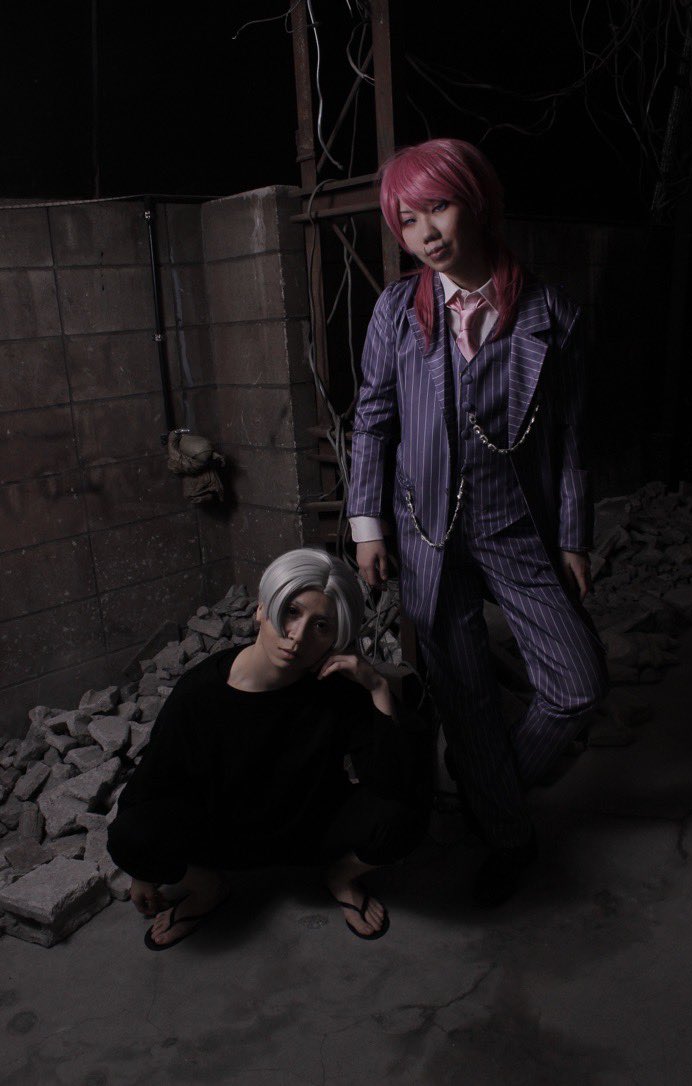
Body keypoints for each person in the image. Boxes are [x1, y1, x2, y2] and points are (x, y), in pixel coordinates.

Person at [347, 138, 608, 906]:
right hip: (424, 531)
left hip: (513, 526)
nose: (425, 232)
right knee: (463, 694)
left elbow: (573, 440)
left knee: (577, 684)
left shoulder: (552, 314)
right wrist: (367, 525)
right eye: (407, 219)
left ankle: (483, 778)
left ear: (479, 202)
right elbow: (373, 418)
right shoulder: (397, 311)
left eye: (439, 208)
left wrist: (573, 537)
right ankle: (507, 836)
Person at [107, 548, 426, 949]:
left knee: (406, 807)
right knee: (129, 834)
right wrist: (143, 869)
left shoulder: (335, 688)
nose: (298, 635)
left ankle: (340, 877)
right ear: (262, 609)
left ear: (335, 639)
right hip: (222, 838)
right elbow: (150, 786)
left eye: (320, 625)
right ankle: (207, 890)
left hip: (309, 833)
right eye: (291, 612)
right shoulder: (201, 692)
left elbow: (392, 783)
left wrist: (376, 686)